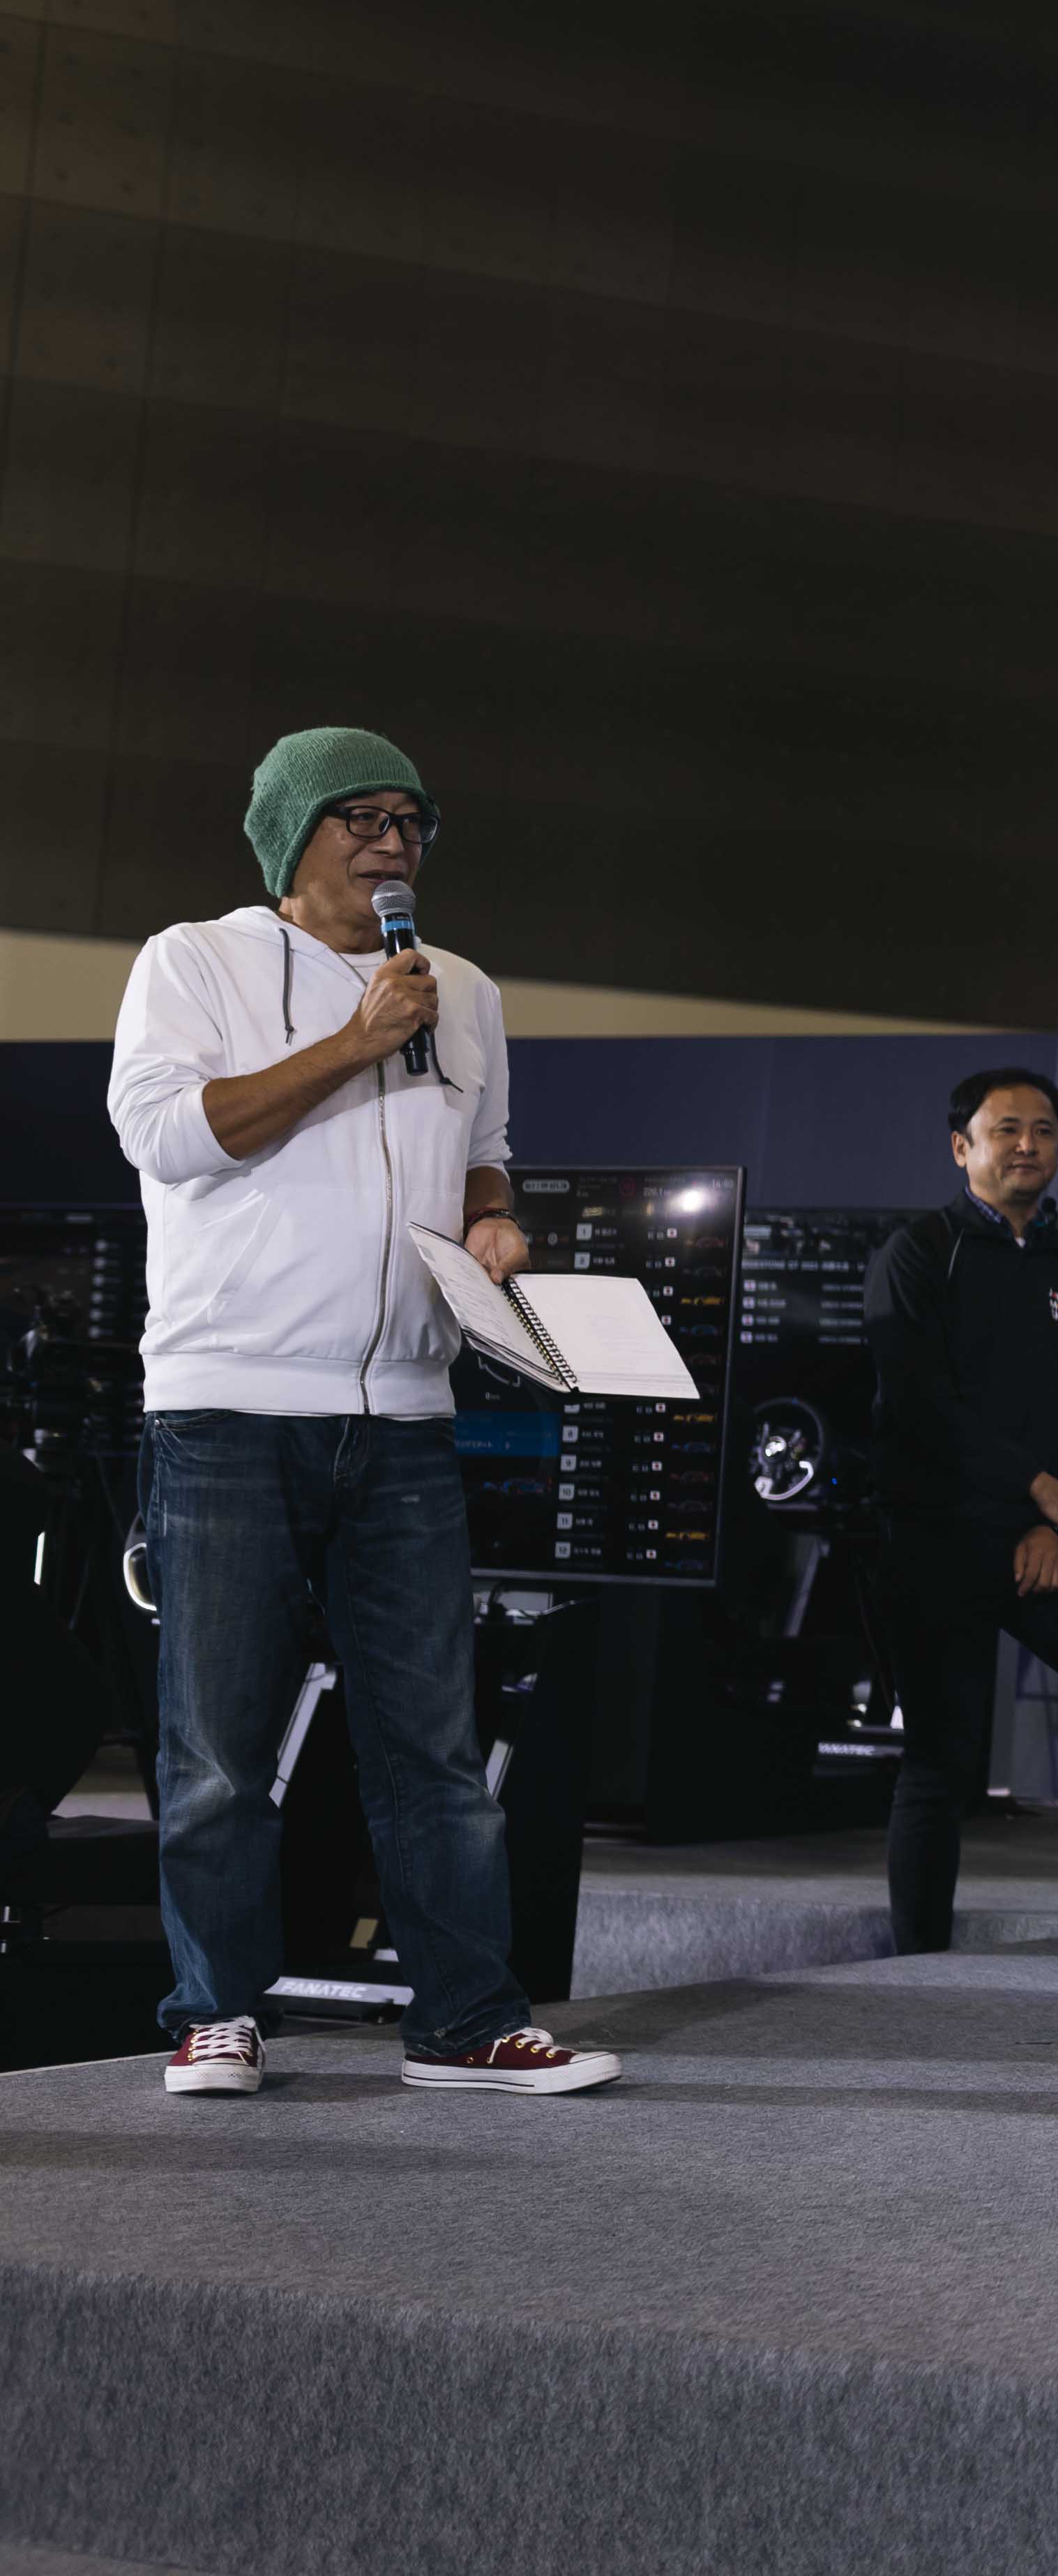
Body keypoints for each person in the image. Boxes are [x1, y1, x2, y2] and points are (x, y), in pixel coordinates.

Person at [106, 726, 621, 2100]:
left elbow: (485, 1155)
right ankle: (215, 2011)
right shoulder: (192, 961)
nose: (396, 844)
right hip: (229, 1405)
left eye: (413, 821)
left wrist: (495, 1224)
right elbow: (170, 1135)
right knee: (218, 1750)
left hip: (405, 1413)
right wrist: (355, 1042)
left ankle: (467, 2019)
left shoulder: (464, 988)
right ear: (291, 832)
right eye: (363, 818)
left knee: (433, 1746)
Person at [861, 1067, 1058, 1960]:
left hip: (1055, 1540)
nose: (1027, 1144)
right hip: (938, 1538)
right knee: (940, 1759)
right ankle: (918, 1956)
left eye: (1044, 1130)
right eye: (1006, 1130)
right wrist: (1033, 1488)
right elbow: (921, 1403)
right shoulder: (919, 1254)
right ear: (963, 1147)